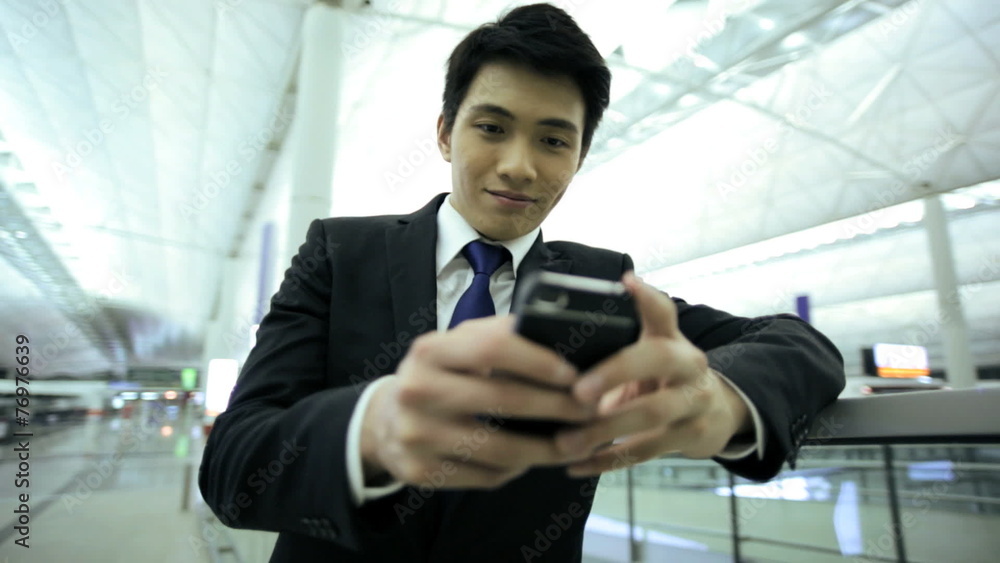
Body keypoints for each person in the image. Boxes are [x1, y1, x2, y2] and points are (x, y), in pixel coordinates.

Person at [198, 4, 845, 562]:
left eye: (553, 141)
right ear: (445, 133)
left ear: (579, 156)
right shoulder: (342, 254)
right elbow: (232, 463)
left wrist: (721, 397)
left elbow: (797, 345)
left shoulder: (602, 286)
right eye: (492, 128)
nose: (519, 167)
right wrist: (370, 432)